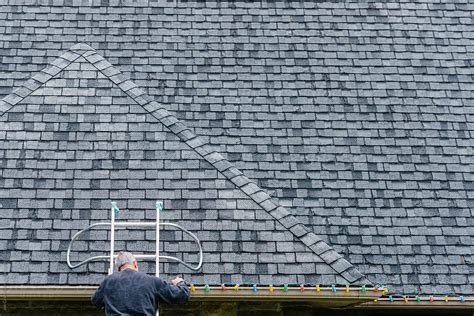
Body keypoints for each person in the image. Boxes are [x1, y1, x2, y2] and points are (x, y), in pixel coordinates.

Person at [92, 251, 190, 315]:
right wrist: (180, 282)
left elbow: (95, 301)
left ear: (118, 268)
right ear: (134, 264)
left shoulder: (108, 282)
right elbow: (182, 295)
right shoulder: (151, 281)